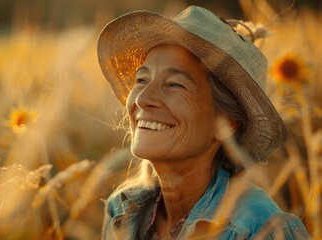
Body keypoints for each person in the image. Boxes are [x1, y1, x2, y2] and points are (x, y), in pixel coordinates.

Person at [97, 5, 310, 240]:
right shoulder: (122, 210)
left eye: (174, 84)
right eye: (141, 79)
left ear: (227, 123)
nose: (142, 98)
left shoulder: (261, 230)